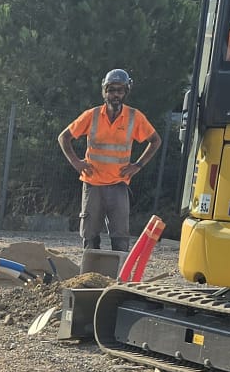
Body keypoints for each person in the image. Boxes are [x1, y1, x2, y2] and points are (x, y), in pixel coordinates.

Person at [58, 70, 160, 274]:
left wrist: (137, 166)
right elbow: (64, 137)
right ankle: (88, 277)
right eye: (111, 90)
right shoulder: (92, 115)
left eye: (119, 91)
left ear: (126, 92)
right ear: (104, 92)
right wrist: (76, 162)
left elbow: (155, 140)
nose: (115, 95)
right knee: (89, 235)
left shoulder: (134, 117)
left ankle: (119, 279)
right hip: (93, 184)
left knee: (120, 236)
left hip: (118, 185)